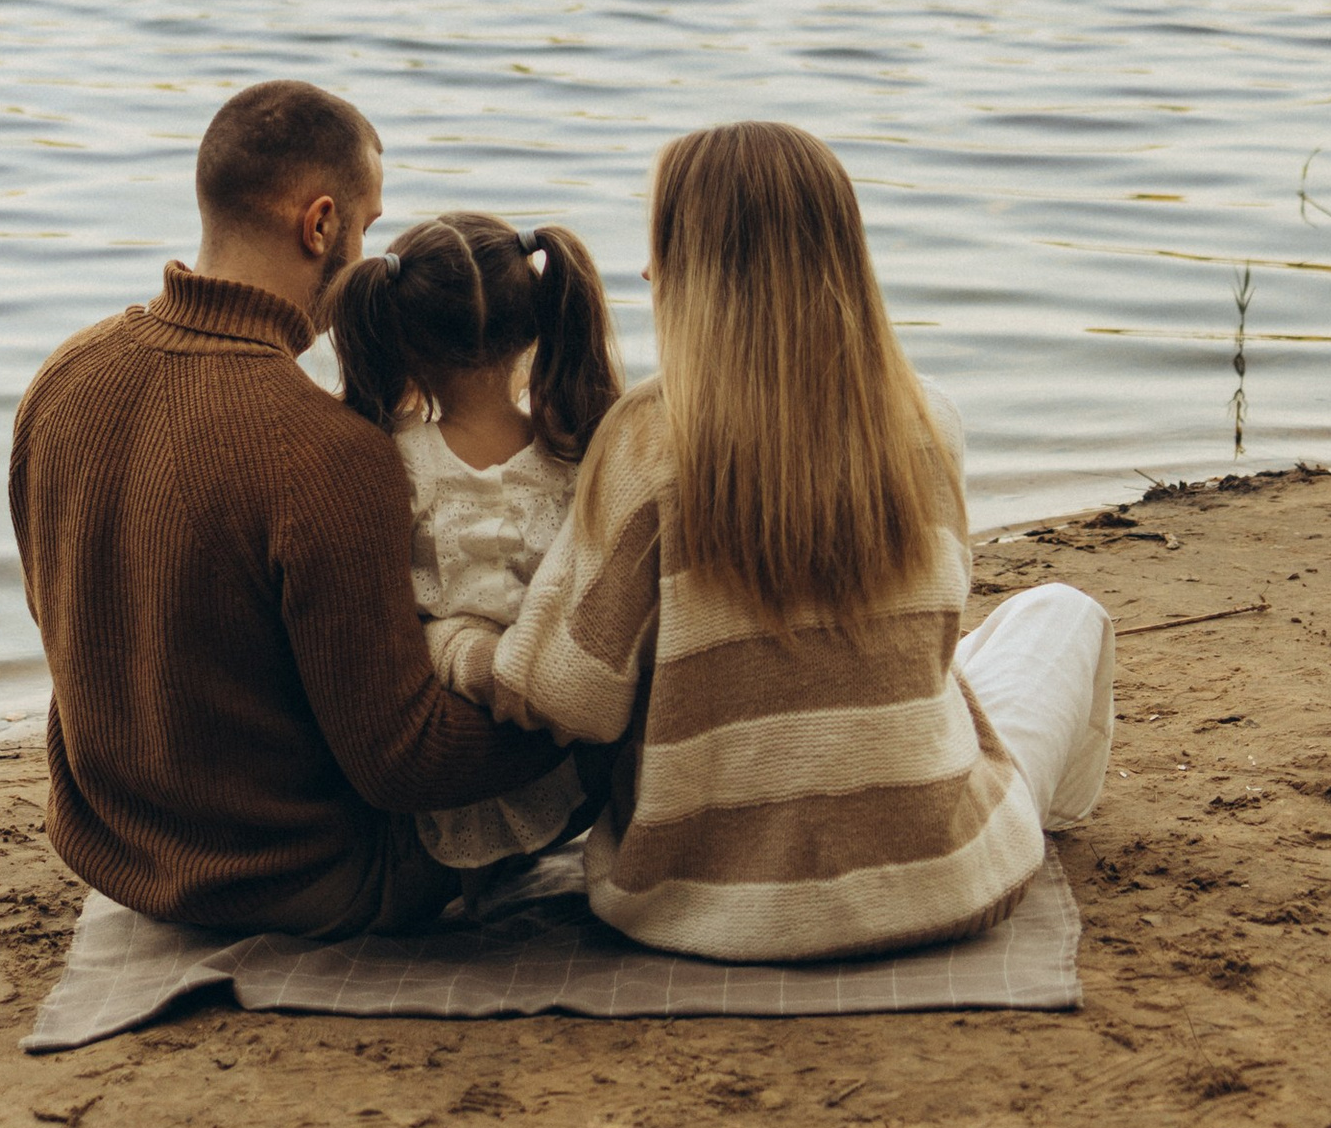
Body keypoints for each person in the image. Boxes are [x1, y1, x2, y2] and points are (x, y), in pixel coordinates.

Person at [427, 120, 1114, 963]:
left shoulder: (646, 440)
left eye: (661, 242)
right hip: (941, 880)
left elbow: (567, 696)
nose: (646, 269)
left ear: (700, 263)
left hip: (707, 912)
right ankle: (1050, 822)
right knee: (1060, 612)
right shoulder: (928, 419)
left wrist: (453, 643)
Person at [8, 79, 565, 933]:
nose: (372, 257)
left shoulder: (61, 377)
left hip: (113, 846)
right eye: (369, 227)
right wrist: (588, 717)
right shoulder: (327, 453)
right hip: (299, 876)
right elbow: (404, 765)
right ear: (320, 224)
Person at [330, 210, 621, 872]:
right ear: (536, 326)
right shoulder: (580, 451)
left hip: (437, 762)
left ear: (397, 331)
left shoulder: (393, 459)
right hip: (565, 761)